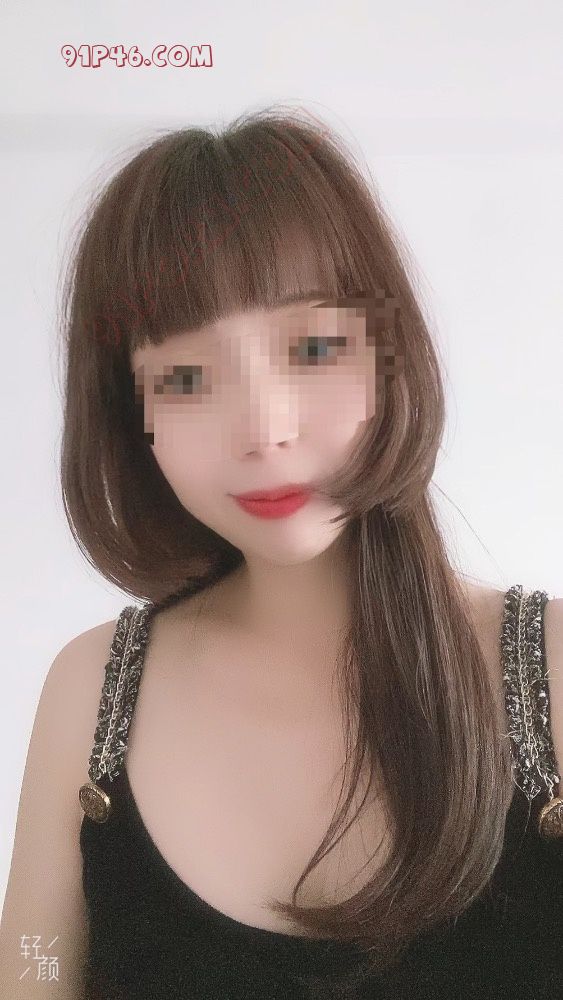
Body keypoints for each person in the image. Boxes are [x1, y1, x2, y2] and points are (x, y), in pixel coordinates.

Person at [1, 106, 562, 999]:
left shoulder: (551, 674)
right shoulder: (92, 690)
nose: (263, 429)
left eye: (312, 348)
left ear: (389, 355)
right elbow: (33, 966)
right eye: (186, 378)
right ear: (130, 417)